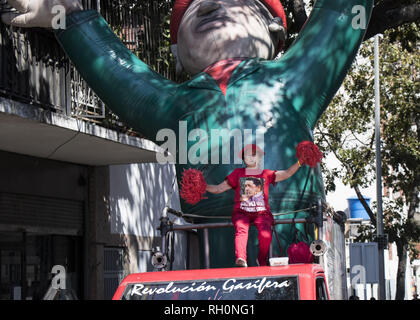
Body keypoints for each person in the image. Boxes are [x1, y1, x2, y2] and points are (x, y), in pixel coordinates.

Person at [206, 144, 300, 267]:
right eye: (247, 154)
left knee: (265, 235)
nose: (251, 157)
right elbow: (218, 189)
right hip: (242, 213)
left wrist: (299, 162)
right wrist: (203, 186)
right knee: (241, 228)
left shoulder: (266, 174)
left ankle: (261, 259)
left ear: (260, 158)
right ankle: (241, 258)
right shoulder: (237, 174)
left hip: (262, 214)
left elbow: (287, 173)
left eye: (254, 154)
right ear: (244, 159)